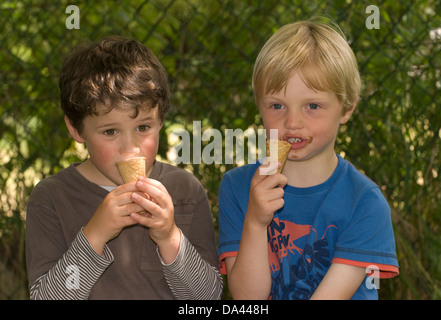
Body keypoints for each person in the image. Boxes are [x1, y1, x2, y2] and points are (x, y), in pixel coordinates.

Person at [26, 36, 222, 300]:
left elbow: (206, 298)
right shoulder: (51, 198)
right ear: (76, 128)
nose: (131, 149)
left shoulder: (184, 190)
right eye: (110, 131)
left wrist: (169, 237)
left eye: (143, 127)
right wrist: (94, 235)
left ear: (161, 119)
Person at [217, 18, 399, 300]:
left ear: (347, 108)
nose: (292, 122)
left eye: (312, 106)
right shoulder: (238, 187)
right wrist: (255, 222)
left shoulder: (364, 203)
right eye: (277, 105)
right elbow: (246, 299)